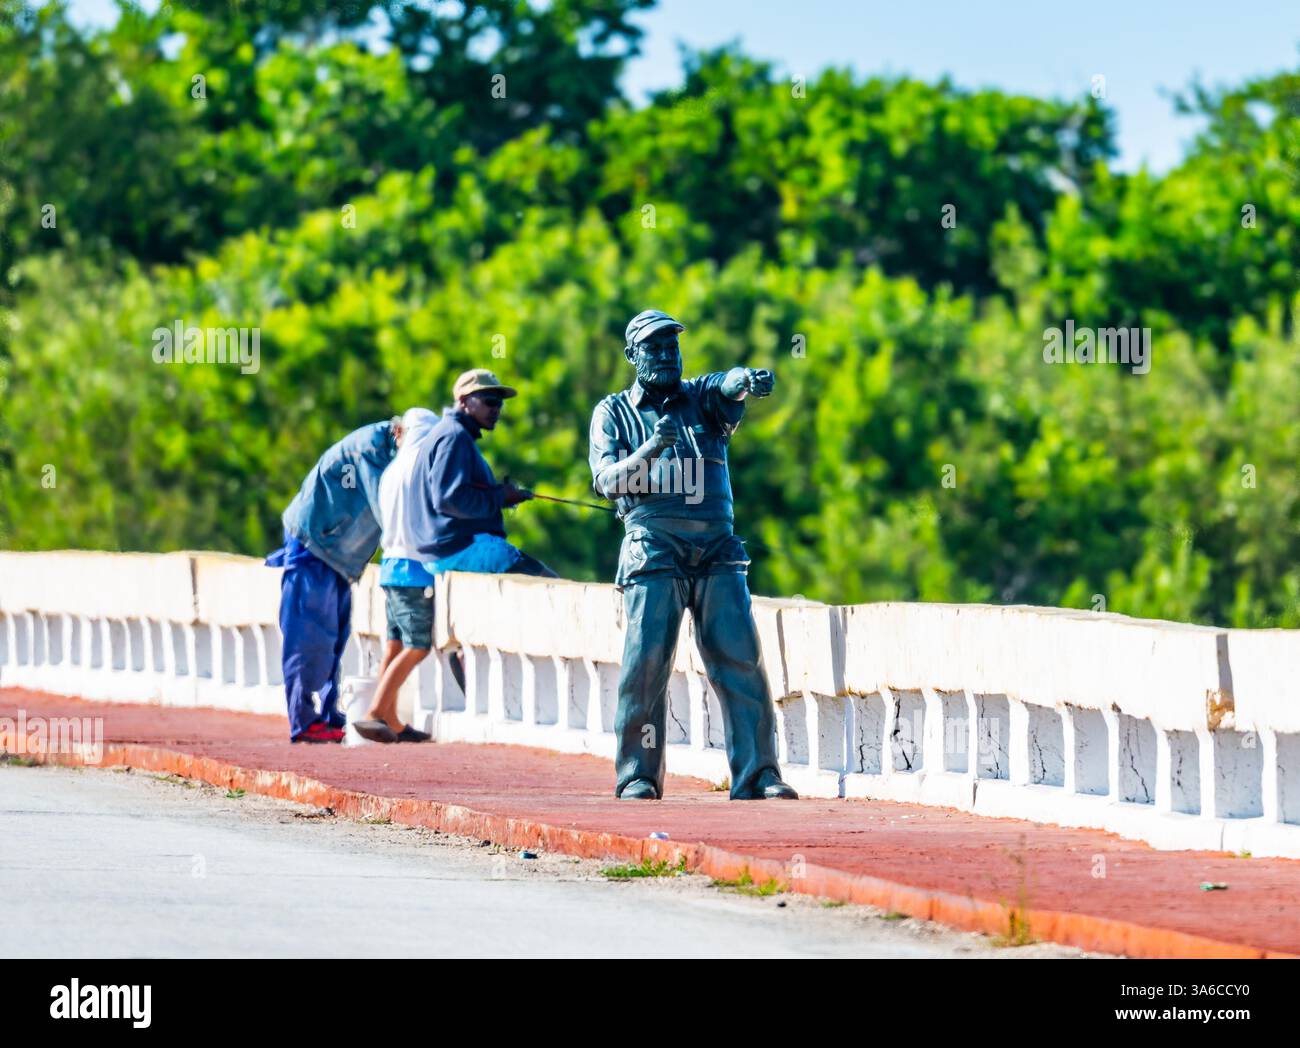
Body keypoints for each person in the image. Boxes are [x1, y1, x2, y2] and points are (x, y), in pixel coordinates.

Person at [588, 310, 798, 800]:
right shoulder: (613, 411)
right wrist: (652, 449)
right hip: (652, 549)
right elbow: (607, 481)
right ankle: (638, 773)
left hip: (717, 550)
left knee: (741, 660)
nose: (665, 356)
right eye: (654, 348)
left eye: (672, 347)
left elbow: (729, 385)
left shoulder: (700, 397)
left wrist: (746, 379)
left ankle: (759, 772)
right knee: (646, 667)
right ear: (632, 355)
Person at [266, 418, 399, 743]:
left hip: (337, 554)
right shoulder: (372, 449)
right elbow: (388, 508)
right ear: (401, 433)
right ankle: (303, 720)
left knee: (333, 640)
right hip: (313, 546)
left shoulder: (388, 447)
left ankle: (326, 716)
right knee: (308, 639)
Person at [352, 406, 441, 744]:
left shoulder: (393, 469)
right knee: (418, 645)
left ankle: (391, 719)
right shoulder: (421, 466)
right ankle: (374, 712)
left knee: (393, 644)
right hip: (413, 570)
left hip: (389, 567)